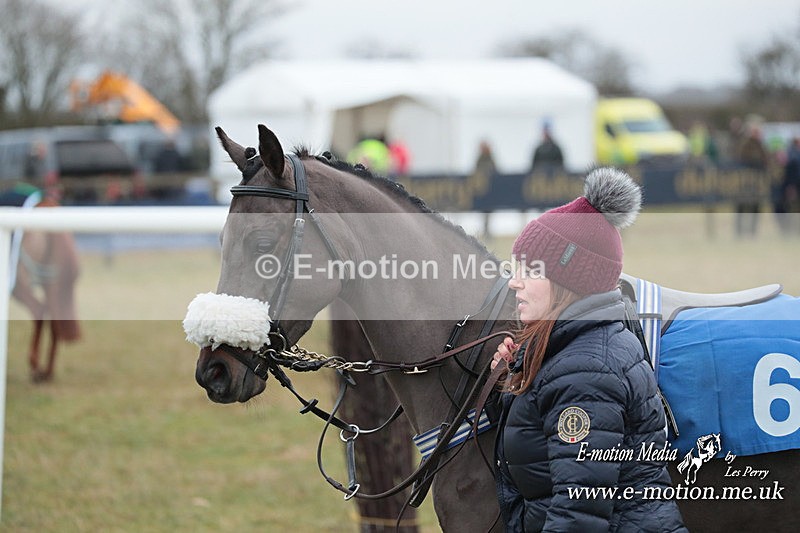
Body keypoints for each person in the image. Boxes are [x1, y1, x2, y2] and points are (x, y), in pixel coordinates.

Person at [491, 167, 687, 532]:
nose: (514, 282)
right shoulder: (570, 350)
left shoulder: (586, 370)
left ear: (569, 282)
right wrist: (508, 382)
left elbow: (578, 514)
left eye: (530, 271)